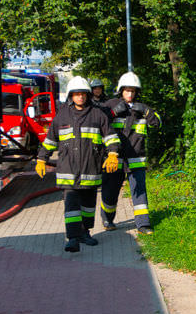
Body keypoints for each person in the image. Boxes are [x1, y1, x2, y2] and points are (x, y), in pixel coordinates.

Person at [36, 76, 121, 252]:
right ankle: (73, 238)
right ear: (71, 96)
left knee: (89, 205)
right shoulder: (62, 116)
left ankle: (85, 233)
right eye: (76, 94)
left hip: (90, 168)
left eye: (83, 94)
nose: (80, 97)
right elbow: (50, 140)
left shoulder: (97, 114)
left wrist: (112, 153)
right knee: (71, 205)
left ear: (88, 95)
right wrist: (41, 159)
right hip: (68, 170)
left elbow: (111, 137)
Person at [100, 71, 160, 234]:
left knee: (139, 192)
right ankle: (107, 218)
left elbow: (158, 123)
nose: (130, 94)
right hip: (115, 158)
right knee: (110, 192)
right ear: (121, 91)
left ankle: (143, 224)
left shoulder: (142, 108)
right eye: (127, 90)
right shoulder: (110, 105)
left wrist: (146, 112)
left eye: (133, 91)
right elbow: (99, 123)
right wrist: (112, 113)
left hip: (136, 158)